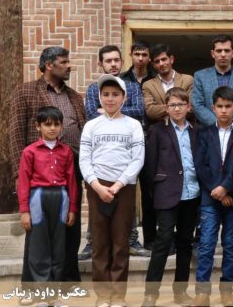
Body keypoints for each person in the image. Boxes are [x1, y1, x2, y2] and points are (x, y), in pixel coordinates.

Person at [9, 46, 86, 285]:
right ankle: (35, 285)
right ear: (49, 65)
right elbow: (15, 134)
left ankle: (66, 281)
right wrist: (19, 176)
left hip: (71, 168)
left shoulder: (75, 96)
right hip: (39, 172)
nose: (69, 66)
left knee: (70, 228)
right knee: (38, 234)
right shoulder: (25, 91)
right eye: (64, 62)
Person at [79, 74, 145, 307]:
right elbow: (84, 160)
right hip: (96, 187)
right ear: (99, 97)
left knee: (120, 242)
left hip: (124, 187)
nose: (110, 99)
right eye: (105, 94)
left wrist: (117, 185)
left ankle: (118, 296)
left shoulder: (133, 125)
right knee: (99, 242)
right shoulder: (91, 126)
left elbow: (137, 159)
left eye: (115, 94)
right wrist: (97, 186)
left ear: (124, 97)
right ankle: (103, 295)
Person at [80, 45, 149, 259]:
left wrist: (109, 110)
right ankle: (92, 243)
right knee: (97, 211)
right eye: (108, 61)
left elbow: (140, 111)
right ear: (100, 63)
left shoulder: (133, 86)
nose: (113, 64)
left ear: (122, 61)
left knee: (126, 207)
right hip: (99, 164)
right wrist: (110, 111)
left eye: (116, 60)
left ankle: (132, 240)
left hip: (127, 157)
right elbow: (91, 113)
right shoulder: (93, 88)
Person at [142, 87, 199, 307]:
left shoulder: (196, 130)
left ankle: (180, 291)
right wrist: (156, 191)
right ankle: (150, 294)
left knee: (185, 242)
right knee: (163, 241)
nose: (177, 108)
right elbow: (150, 165)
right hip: (166, 193)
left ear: (188, 107)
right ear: (166, 108)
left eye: (181, 104)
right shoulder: (157, 130)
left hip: (192, 194)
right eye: (172, 105)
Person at [194, 86, 233, 307]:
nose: (224, 110)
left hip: (232, 198)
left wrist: (226, 188)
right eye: (220, 106)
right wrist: (216, 190)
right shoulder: (204, 133)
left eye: (228, 106)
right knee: (206, 244)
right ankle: (202, 292)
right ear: (213, 108)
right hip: (210, 198)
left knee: (230, 244)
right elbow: (200, 165)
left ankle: (227, 290)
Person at [17, 106, 78, 294]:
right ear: (38, 126)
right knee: (39, 246)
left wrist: (72, 208)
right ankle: (40, 293)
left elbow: (71, 181)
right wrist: (24, 211)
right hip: (38, 197)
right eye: (47, 124)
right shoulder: (30, 151)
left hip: (61, 198)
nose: (52, 128)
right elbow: (23, 182)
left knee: (59, 246)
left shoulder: (66, 151)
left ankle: (54, 292)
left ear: (61, 126)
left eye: (56, 124)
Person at [121, 40, 157, 252]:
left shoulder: (156, 79)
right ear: (131, 55)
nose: (141, 58)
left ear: (149, 57)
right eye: (137, 54)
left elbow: (148, 110)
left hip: (151, 140)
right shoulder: (121, 80)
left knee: (150, 190)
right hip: (126, 142)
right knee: (125, 188)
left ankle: (150, 239)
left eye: (144, 55)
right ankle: (127, 238)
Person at [192, 34, 233, 127]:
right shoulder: (200, 76)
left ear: (232, 53)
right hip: (209, 131)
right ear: (213, 54)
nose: (223, 54)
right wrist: (216, 123)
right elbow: (197, 105)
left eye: (227, 50)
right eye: (219, 51)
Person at [143, 43, 194, 123]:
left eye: (164, 59)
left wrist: (167, 108)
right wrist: (180, 106)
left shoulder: (188, 80)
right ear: (153, 65)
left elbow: (192, 107)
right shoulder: (148, 85)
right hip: (160, 128)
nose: (161, 64)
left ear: (171, 59)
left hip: (185, 126)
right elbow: (150, 111)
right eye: (157, 61)